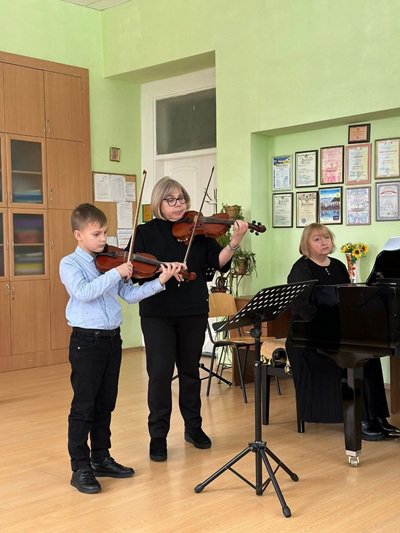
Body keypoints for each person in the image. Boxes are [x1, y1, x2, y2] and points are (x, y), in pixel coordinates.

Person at [60, 203, 185, 494]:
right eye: (96, 234)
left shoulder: (107, 261)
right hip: (86, 341)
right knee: (84, 405)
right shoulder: (70, 264)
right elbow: (84, 293)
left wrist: (161, 280)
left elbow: (129, 295)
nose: (103, 239)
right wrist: (117, 272)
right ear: (78, 235)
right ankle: (80, 466)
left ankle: (101, 457)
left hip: (111, 339)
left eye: (104, 233)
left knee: (106, 403)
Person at [127, 176, 249, 462]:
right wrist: (162, 272)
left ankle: (193, 428)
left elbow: (216, 263)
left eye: (181, 199)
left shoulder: (199, 232)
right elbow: (135, 269)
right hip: (157, 313)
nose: (178, 204)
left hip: (193, 309)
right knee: (159, 375)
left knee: (190, 372)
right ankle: (158, 436)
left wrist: (234, 242)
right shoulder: (144, 232)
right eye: (171, 200)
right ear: (158, 203)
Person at [286, 223, 400, 441]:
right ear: (306, 244)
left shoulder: (338, 265)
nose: (324, 242)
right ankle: (361, 420)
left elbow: (347, 299)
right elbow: (301, 307)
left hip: (338, 331)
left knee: (371, 357)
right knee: (355, 358)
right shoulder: (301, 269)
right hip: (309, 336)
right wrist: (329, 325)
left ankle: (378, 417)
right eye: (317, 239)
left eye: (326, 237)